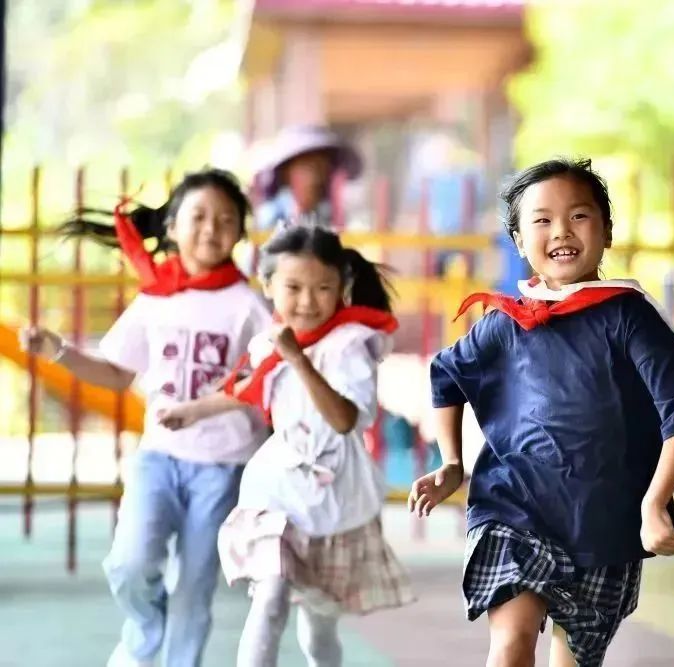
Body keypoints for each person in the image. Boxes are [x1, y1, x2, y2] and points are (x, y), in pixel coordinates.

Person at [408, 158, 674, 666]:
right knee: (511, 640)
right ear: (519, 241)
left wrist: (655, 503)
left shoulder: (629, 315)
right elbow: (447, 375)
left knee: (569, 659)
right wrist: (452, 463)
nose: (560, 230)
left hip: (605, 524)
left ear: (607, 231)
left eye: (579, 216)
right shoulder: (507, 321)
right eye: (541, 220)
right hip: (513, 509)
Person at [20, 168, 272, 667]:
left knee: (194, 587)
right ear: (172, 227)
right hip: (158, 458)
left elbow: (268, 379)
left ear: (240, 233)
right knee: (129, 563)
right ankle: (142, 634)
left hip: (225, 467)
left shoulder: (248, 305)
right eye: (198, 217)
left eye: (226, 219)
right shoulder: (155, 300)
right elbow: (116, 373)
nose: (210, 229)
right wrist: (58, 351)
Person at [159, 223, 413, 667]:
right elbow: (246, 389)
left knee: (318, 631)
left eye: (323, 288)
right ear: (268, 285)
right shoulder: (269, 343)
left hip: (336, 501)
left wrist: (298, 359)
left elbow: (344, 420)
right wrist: (193, 410)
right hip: (278, 490)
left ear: (342, 289)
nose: (307, 301)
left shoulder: (350, 346)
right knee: (270, 596)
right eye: (293, 287)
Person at [253, 125, 362, 230]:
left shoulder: (328, 214)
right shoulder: (272, 215)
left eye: (321, 168)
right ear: (285, 173)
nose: (316, 177)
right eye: (307, 167)